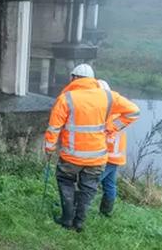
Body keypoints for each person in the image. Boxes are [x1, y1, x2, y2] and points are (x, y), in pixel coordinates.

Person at [43, 64, 140, 232]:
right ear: (92, 79)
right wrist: (111, 126)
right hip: (97, 158)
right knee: (88, 189)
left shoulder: (66, 98)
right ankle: (79, 222)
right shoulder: (108, 96)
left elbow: (54, 128)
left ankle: (67, 219)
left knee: (66, 183)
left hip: (71, 156)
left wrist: (49, 149)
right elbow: (134, 112)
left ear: (73, 78)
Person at [97, 79, 128, 217]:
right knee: (109, 184)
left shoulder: (107, 116)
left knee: (90, 183)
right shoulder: (118, 113)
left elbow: (104, 136)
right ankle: (106, 211)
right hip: (116, 157)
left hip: (107, 157)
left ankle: (76, 206)